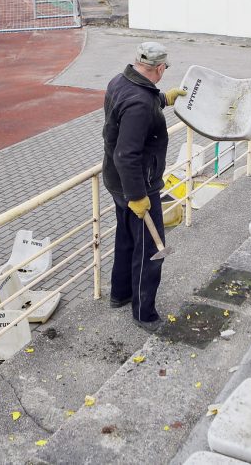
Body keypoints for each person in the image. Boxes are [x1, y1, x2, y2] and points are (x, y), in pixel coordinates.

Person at [102, 42, 187, 332]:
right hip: (138, 184)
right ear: (159, 68)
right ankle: (144, 313)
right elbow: (127, 153)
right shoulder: (140, 102)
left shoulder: (121, 81)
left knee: (126, 239)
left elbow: (133, 105)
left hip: (116, 181)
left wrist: (163, 99)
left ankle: (120, 293)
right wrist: (139, 196)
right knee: (150, 250)